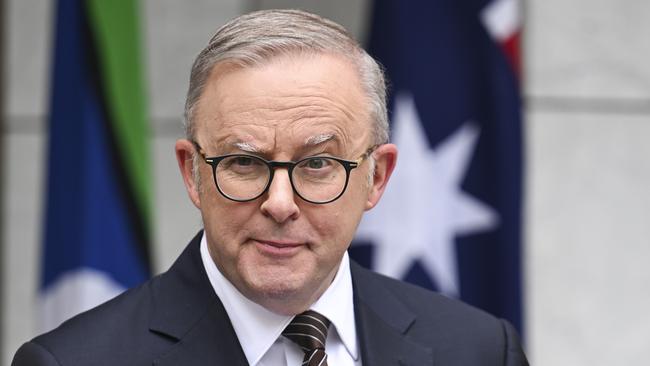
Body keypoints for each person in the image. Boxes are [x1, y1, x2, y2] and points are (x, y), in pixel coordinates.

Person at [12, 9, 528, 366]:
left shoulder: (478, 349)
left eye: (318, 164)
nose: (279, 204)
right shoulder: (73, 362)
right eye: (243, 162)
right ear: (192, 172)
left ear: (377, 177)